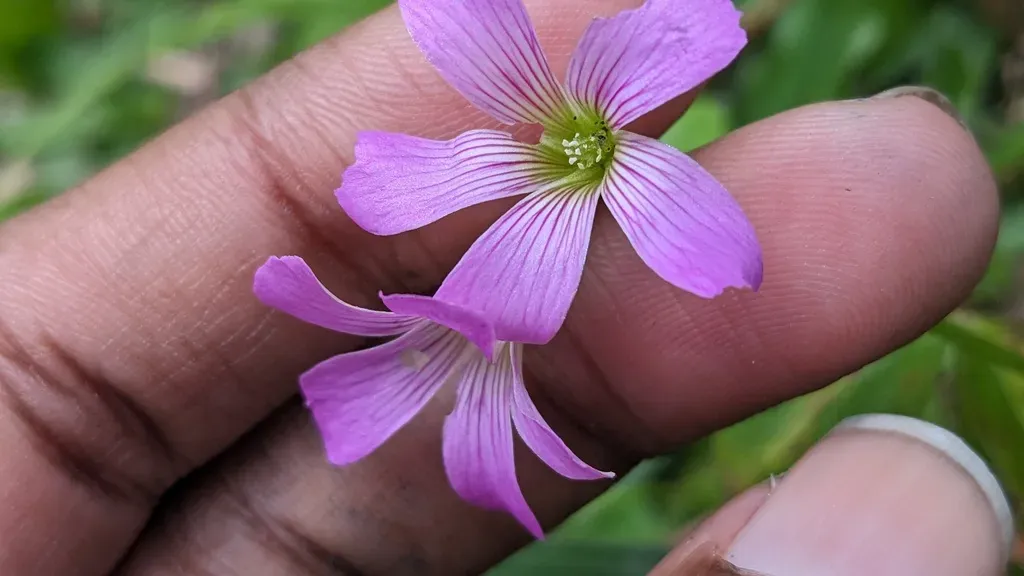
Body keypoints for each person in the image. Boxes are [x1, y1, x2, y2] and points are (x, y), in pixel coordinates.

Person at [0, 1, 1011, 574]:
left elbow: (699, 241)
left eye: (580, 137)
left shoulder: (582, 161)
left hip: (601, 180)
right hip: (572, 195)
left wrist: (583, 153)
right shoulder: (539, 215)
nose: (569, 140)